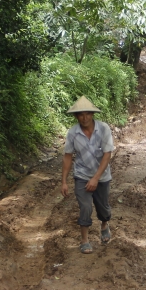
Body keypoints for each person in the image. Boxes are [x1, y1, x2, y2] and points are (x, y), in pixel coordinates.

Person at [60, 96, 114, 254]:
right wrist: (64, 181)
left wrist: (96, 178)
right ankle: (84, 240)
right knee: (85, 207)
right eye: (81, 115)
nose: (85, 118)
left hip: (102, 176)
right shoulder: (73, 133)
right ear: (76, 117)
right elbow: (68, 156)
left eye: (87, 114)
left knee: (103, 208)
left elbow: (107, 154)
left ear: (92, 114)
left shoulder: (103, 129)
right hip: (82, 175)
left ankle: (104, 224)